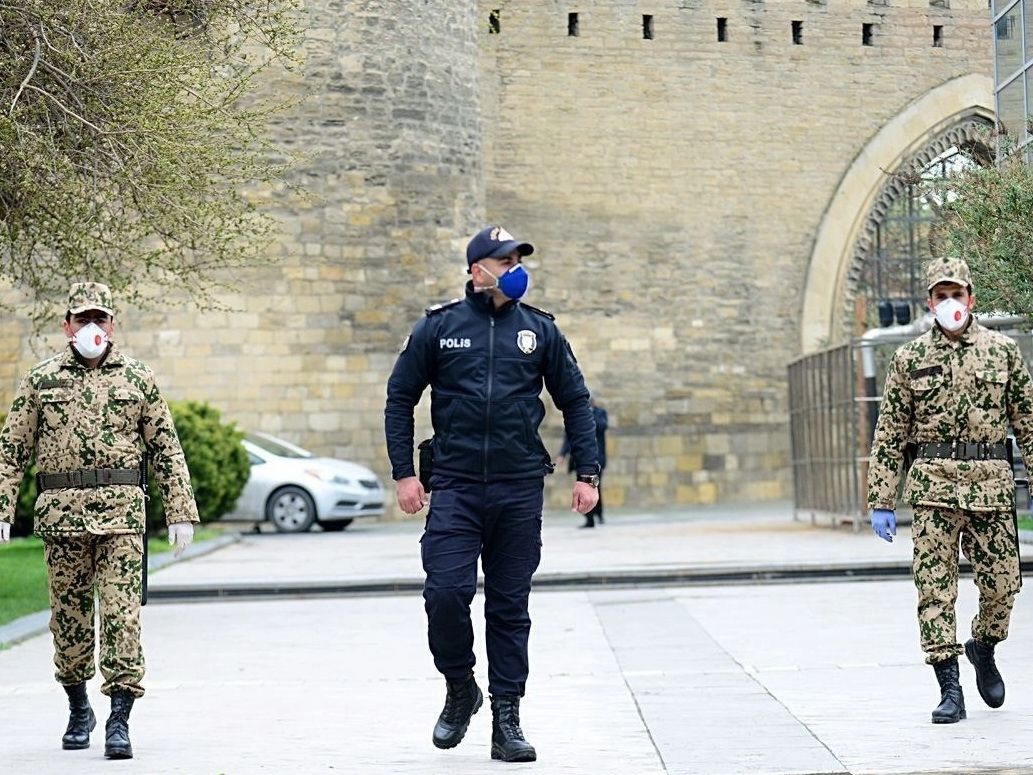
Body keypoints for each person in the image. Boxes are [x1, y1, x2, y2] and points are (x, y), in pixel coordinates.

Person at [385, 225, 600, 763]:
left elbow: (575, 400)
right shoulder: (440, 327)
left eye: (518, 259)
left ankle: (508, 718)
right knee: (446, 595)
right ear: (477, 269)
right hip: (454, 486)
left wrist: (588, 473)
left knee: (510, 606)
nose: (515, 268)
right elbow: (399, 397)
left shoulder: (539, 331)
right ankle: (460, 687)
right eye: (505, 260)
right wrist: (403, 474)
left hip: (518, 486)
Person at [0, 282, 199, 758]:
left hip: (121, 520)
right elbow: (12, 451)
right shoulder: (41, 380)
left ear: (113, 325)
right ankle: (77, 708)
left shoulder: (138, 378)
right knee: (69, 623)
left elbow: (166, 447)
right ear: (67, 325)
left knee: (121, 619)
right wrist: (2, 507)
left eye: (101, 319)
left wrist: (180, 511)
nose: (93, 328)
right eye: (83, 319)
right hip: (62, 519)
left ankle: (119, 719)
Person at [867, 257, 1031, 725]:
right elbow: (891, 431)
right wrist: (882, 498)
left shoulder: (1002, 352)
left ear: (971, 298)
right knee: (934, 590)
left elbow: (1029, 422)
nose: (950, 302)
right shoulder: (910, 359)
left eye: (957, 294)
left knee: (1003, 586)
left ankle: (982, 644)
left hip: (991, 489)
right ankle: (950, 687)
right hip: (934, 489)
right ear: (929, 302)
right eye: (941, 295)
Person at [557, 397, 608, 527]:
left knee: (595, 486)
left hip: (598, 458)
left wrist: (587, 416)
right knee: (585, 486)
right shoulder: (575, 416)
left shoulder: (600, 413)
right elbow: (568, 436)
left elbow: (602, 426)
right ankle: (589, 519)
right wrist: (562, 454)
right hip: (581, 460)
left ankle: (599, 513)